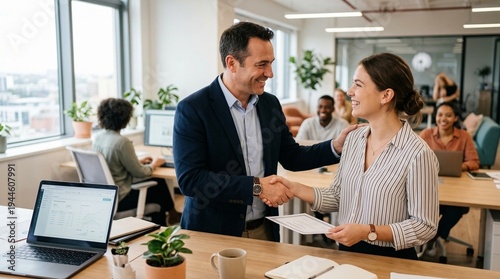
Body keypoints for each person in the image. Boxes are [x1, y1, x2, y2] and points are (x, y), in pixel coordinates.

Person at [173, 21, 357, 242]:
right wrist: (256, 187)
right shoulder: (193, 109)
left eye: (271, 63)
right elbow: (192, 180)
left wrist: (334, 146)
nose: (269, 73)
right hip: (213, 232)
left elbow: (292, 156)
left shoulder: (269, 104)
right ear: (232, 63)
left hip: (264, 230)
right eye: (261, 64)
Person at [268, 53, 440, 259]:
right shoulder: (353, 139)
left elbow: (425, 226)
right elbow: (338, 196)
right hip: (348, 253)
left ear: (386, 95)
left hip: (391, 259)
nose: (350, 92)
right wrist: (294, 187)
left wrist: (369, 231)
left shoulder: (418, 154)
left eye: (358, 85)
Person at [93, 98, 182, 226]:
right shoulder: (122, 142)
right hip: (121, 199)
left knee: (159, 184)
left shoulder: (99, 138)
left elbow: (111, 162)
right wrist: (154, 164)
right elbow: (141, 173)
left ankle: (171, 216)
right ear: (125, 118)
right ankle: (164, 224)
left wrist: (137, 160)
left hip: (105, 197)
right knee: (158, 187)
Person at [419, 101, 480, 255]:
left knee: (457, 208)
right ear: (435, 117)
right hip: (430, 186)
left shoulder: (464, 136)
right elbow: (413, 158)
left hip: (457, 188)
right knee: (421, 205)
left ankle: (433, 237)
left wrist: (457, 167)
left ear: (455, 118)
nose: (443, 119)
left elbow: (474, 162)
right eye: (440, 115)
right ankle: (430, 236)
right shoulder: (426, 134)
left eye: (448, 115)